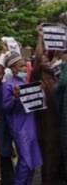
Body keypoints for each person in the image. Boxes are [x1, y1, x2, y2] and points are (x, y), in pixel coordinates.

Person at [2, 53, 42, 185]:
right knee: (25, 161)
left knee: (33, 160)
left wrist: (38, 92)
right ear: (13, 68)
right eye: (21, 66)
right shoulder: (8, 85)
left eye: (25, 65)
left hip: (31, 125)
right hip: (19, 126)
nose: (25, 68)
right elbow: (6, 108)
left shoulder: (26, 83)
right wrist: (15, 97)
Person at [30, 25, 62, 184]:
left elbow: (60, 54)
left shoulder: (55, 75)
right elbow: (37, 57)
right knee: (49, 156)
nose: (45, 60)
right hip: (46, 124)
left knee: (58, 154)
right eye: (43, 60)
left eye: (46, 59)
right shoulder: (37, 76)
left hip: (58, 122)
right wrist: (40, 37)